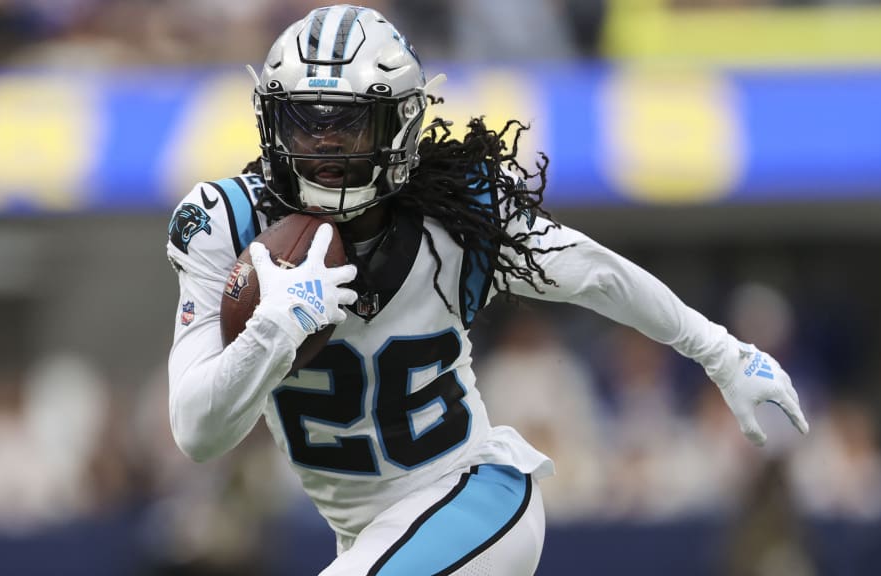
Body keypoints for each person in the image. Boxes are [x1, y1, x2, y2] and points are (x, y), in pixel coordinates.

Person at [165, 5, 809, 575]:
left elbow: (596, 274)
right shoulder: (225, 224)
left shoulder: (457, 218)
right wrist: (275, 327)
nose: (326, 148)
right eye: (307, 123)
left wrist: (723, 354)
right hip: (369, 538)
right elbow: (198, 432)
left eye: (350, 126)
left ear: (400, 126)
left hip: (475, 497)